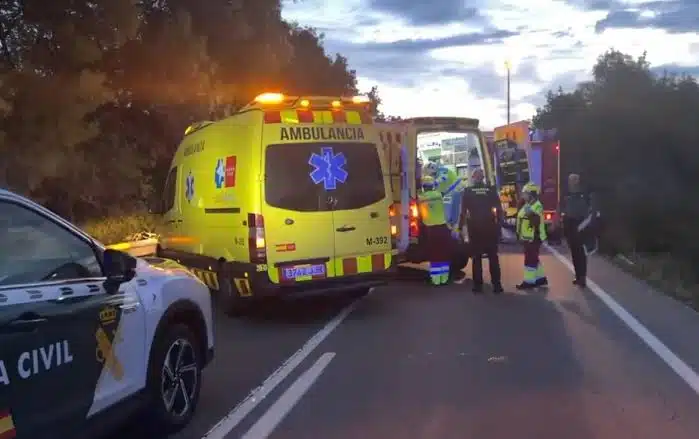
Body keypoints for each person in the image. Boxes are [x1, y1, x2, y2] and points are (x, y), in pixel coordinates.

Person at [458, 168, 503, 293]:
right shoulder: (490, 190)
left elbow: (463, 212)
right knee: (493, 257)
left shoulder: (468, 191)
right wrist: (499, 225)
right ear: (482, 178)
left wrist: (459, 228)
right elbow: (499, 210)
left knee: (476, 258)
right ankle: (497, 286)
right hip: (490, 227)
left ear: (473, 178)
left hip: (475, 228)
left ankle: (478, 286)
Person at [560, 173, 595, 287]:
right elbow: (562, 208)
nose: (572, 182)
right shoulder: (567, 195)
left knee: (581, 254)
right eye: (571, 180)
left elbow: (589, 212)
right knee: (574, 253)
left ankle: (582, 277)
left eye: (574, 180)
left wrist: (582, 227)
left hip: (580, 226)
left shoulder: (584, 195)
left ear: (578, 181)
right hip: (569, 226)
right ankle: (578, 275)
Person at [418, 175, 452, 285]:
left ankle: (436, 280)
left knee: (435, 255)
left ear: (423, 187)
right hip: (443, 228)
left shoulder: (421, 198)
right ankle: (444, 279)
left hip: (431, 230)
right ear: (432, 186)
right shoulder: (439, 195)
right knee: (444, 254)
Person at [515, 182, 548, 289]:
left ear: (531, 194)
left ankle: (529, 281)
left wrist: (529, 212)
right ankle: (541, 278)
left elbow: (535, 220)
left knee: (530, 260)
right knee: (534, 258)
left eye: (525, 193)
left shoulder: (537, 205)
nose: (523, 195)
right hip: (527, 237)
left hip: (534, 237)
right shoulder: (527, 204)